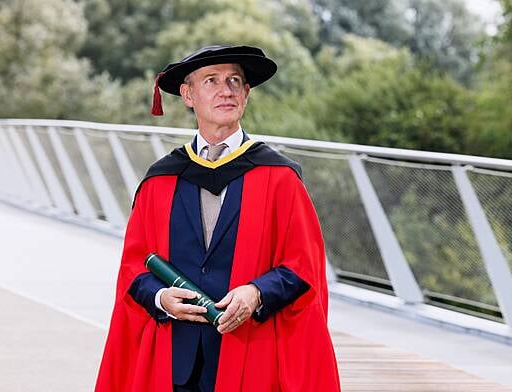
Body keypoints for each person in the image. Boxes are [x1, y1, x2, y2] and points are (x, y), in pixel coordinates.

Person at [95, 45, 341, 392]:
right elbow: (134, 266)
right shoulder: (161, 180)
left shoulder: (279, 177)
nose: (225, 90)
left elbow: (303, 267)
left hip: (250, 358)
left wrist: (256, 293)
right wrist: (161, 299)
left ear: (246, 94)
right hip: (174, 361)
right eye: (211, 81)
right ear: (188, 94)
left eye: (234, 81)